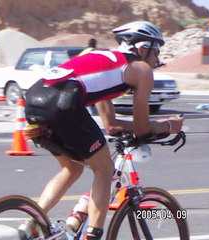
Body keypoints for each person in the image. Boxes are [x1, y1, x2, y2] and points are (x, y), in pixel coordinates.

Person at [23, 21, 184, 240]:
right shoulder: (142, 70)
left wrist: (141, 128)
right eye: (156, 51)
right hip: (64, 102)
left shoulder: (106, 61)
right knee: (104, 170)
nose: (157, 59)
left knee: (71, 168)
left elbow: (111, 125)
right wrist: (168, 126)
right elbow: (143, 128)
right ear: (142, 48)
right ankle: (93, 235)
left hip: (34, 100)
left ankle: (33, 222)